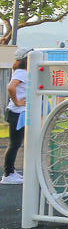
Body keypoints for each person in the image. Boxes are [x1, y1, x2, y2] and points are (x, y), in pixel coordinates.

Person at [2, 48, 30, 185]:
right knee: (14, 144)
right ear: (26, 59)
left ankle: (11, 172)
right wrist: (17, 102)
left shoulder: (22, 72)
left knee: (15, 143)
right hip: (17, 113)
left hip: (18, 112)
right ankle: (7, 174)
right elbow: (10, 87)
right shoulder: (21, 72)